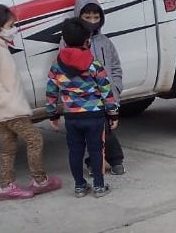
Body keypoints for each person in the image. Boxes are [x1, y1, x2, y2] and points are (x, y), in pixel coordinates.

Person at [0, 4, 62, 200]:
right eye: (10, 25)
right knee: (34, 139)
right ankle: (40, 180)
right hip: (8, 108)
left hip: (2, 108)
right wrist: (6, 100)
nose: (14, 29)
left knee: (8, 147)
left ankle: (7, 186)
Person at [45, 18, 120, 197]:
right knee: (96, 150)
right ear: (87, 41)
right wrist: (113, 114)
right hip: (94, 116)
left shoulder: (56, 67)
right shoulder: (94, 65)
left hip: (72, 117)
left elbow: (51, 91)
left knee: (75, 151)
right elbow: (106, 90)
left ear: (64, 40)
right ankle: (99, 186)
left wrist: (52, 114)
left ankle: (79, 186)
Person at [71, 0, 126, 174]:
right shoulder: (69, 42)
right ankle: (95, 162)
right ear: (78, 16)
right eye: (87, 17)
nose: (92, 21)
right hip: (86, 98)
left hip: (107, 95)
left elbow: (115, 67)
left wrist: (115, 87)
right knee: (91, 132)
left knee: (106, 129)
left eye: (96, 17)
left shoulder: (105, 42)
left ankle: (115, 160)